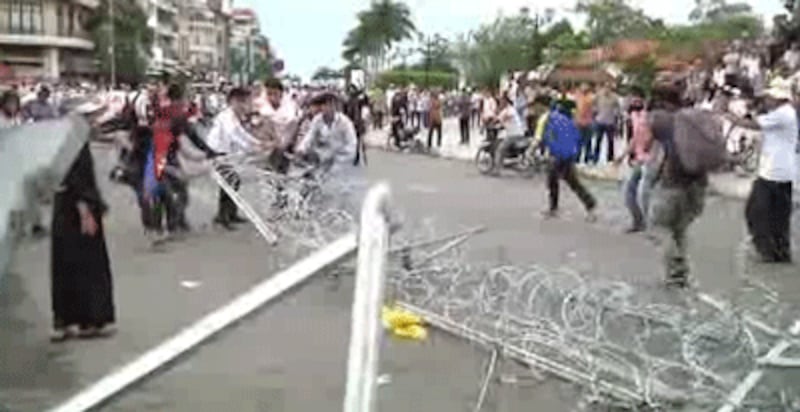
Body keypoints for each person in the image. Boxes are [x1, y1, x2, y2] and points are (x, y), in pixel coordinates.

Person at [724, 79, 797, 263]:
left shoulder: (783, 114)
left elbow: (753, 124)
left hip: (775, 173)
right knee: (776, 215)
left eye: (769, 97)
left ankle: (770, 249)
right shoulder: (782, 113)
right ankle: (777, 251)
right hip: (774, 171)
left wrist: (729, 116)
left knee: (757, 211)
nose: (766, 100)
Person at [50, 143, 115, 341]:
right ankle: (91, 318)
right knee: (88, 263)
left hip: (62, 206)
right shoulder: (76, 144)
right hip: (76, 208)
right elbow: (78, 177)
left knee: (64, 263)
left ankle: (65, 319)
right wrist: (85, 209)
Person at [648, 83, 707, 288]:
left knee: (658, 228)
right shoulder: (695, 119)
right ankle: (681, 275)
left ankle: (676, 269)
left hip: (672, 182)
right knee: (679, 230)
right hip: (698, 185)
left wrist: (652, 179)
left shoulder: (663, 120)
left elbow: (655, 148)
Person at [206, 87, 263, 230]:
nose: (244, 105)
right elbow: (233, 135)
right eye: (241, 102)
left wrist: (258, 143)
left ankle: (229, 214)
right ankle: (223, 217)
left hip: (224, 153)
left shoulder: (234, 116)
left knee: (232, 182)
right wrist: (251, 148)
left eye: (246, 102)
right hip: (216, 152)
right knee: (230, 182)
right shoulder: (226, 116)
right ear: (232, 101)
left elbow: (242, 133)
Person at [296, 93, 362, 214]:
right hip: (323, 157)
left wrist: (338, 160)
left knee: (338, 189)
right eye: (324, 105)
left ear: (335, 106)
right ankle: (307, 207)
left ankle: (338, 212)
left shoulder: (345, 122)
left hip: (341, 159)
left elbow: (352, 145)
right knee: (310, 179)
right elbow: (309, 137)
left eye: (330, 105)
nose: (326, 108)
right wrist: (301, 149)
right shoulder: (317, 120)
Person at [534, 96, 597, 220]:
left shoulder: (545, 119)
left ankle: (553, 208)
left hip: (556, 154)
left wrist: (530, 152)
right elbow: (576, 135)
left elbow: (538, 139)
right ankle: (590, 205)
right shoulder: (563, 118)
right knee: (572, 181)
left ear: (540, 106)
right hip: (568, 153)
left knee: (552, 181)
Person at [620, 96, 654, 233]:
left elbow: (645, 139)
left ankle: (644, 223)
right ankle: (640, 221)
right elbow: (635, 139)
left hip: (649, 160)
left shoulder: (648, 120)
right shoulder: (639, 118)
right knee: (632, 191)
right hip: (642, 159)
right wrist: (625, 155)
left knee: (641, 192)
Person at [492, 94, 527, 175]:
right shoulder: (511, 109)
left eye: (502, 101)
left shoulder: (509, 110)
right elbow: (503, 121)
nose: (500, 103)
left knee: (499, 150)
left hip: (513, 134)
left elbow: (500, 119)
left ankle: (497, 170)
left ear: (505, 102)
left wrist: (495, 122)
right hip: (518, 132)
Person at [593, 84, 619, 164]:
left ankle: (610, 159)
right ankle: (595, 158)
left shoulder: (615, 97)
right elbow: (594, 105)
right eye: (605, 87)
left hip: (610, 122)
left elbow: (617, 108)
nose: (607, 89)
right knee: (598, 140)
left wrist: (616, 118)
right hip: (600, 121)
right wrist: (595, 114)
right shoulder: (599, 95)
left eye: (609, 88)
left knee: (610, 142)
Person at [574, 83, 595, 163]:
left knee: (586, 142)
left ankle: (586, 158)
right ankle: (578, 158)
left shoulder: (589, 98)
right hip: (580, 122)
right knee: (580, 141)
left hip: (587, 123)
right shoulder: (579, 97)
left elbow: (583, 108)